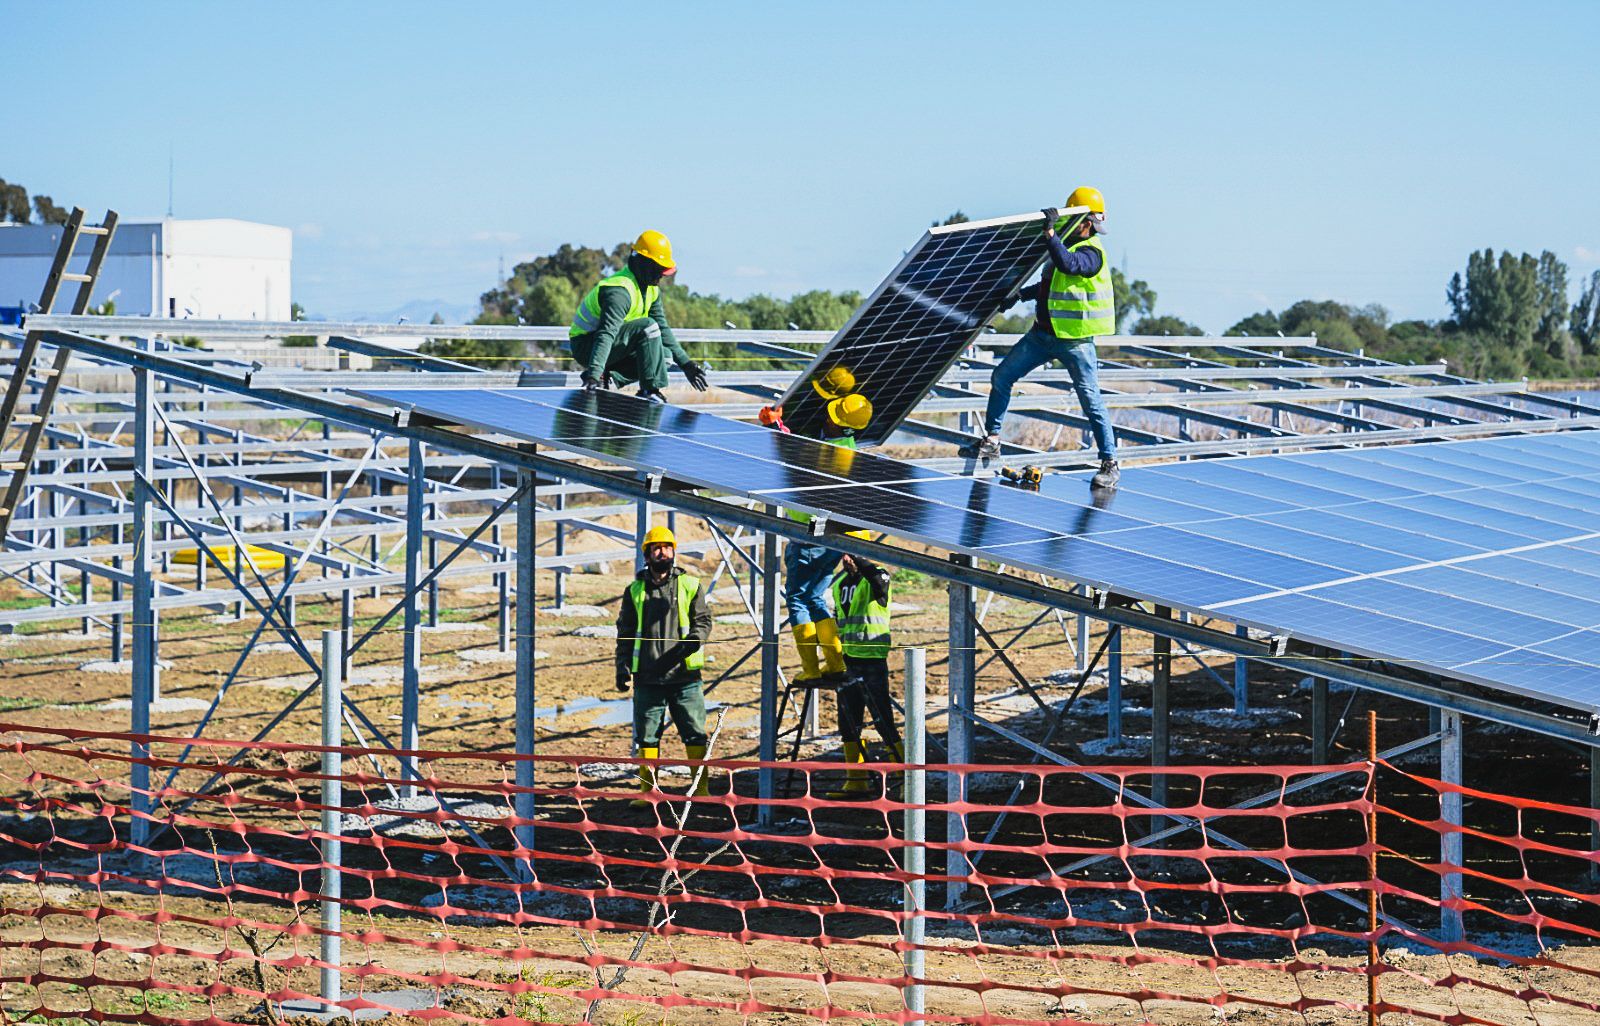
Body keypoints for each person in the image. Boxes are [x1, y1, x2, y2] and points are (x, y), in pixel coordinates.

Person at [965, 187, 1120, 491]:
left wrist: (1050, 234)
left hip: (1075, 341)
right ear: (1081, 220)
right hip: (1041, 335)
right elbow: (1049, 284)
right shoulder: (1061, 246)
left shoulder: (1092, 252)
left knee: (1091, 401)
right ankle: (993, 440)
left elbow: (1069, 266)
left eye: (1092, 224)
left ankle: (1110, 463)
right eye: (1090, 222)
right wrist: (1019, 295)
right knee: (1002, 376)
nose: (1091, 228)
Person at [614, 524, 714, 805]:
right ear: (647, 554)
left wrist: (694, 640)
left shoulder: (690, 585)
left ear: (674, 552)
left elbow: (703, 621)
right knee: (646, 735)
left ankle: (701, 789)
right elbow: (625, 631)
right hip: (648, 677)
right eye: (656, 548)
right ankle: (649, 792)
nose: (663, 552)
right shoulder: (634, 590)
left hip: (685, 676)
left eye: (667, 547)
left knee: (694, 732)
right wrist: (621, 666)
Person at [782, 387, 872, 686]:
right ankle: (834, 664)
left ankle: (810, 667)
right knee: (816, 598)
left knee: (797, 599)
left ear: (840, 423)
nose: (826, 417)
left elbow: (788, 451)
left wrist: (774, 428)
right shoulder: (849, 447)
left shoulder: (825, 452)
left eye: (832, 416)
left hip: (808, 535)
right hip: (832, 538)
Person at [569, 230, 710, 403]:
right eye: (659, 270)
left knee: (664, 356)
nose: (661, 276)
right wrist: (593, 375)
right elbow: (606, 334)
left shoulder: (651, 289)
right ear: (643, 263)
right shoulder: (619, 291)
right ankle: (649, 390)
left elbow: (663, 329)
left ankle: (610, 377)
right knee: (647, 326)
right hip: (587, 346)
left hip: (614, 347)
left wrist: (686, 365)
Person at [828, 550, 902, 798]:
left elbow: (877, 577)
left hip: (873, 661)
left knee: (883, 721)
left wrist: (861, 557)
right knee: (848, 722)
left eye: (853, 555)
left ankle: (906, 779)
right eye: (845, 555)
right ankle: (856, 779)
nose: (847, 560)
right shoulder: (839, 584)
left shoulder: (876, 578)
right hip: (849, 661)